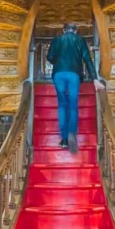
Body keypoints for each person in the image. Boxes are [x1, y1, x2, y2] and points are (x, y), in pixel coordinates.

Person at [47, 22, 100, 153]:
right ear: (75, 31)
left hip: (59, 74)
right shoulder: (80, 40)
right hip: (73, 74)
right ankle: (72, 133)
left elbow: (49, 57)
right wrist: (95, 79)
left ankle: (64, 139)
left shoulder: (57, 40)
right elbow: (87, 59)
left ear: (63, 30)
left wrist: (58, 62)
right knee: (72, 105)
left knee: (62, 105)